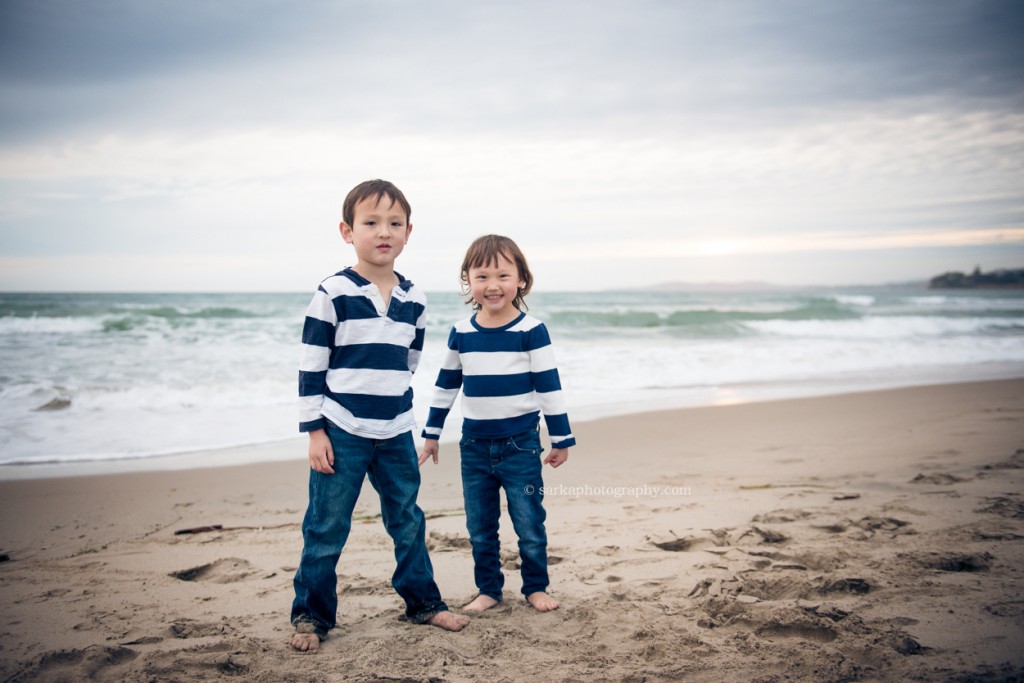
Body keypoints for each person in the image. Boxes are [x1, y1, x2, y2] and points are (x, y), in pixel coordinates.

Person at [290, 179, 468, 653]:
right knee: (326, 526)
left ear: (409, 232)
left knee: (407, 519)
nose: (383, 232)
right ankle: (311, 615)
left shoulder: (415, 298)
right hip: (342, 429)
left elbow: (409, 361)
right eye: (371, 223)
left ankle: (424, 603)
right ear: (348, 231)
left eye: (394, 223)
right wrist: (314, 431)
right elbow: (311, 364)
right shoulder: (333, 292)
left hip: (394, 430)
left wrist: (400, 414)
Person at [419, 234, 575, 613]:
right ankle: (489, 590)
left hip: (521, 445)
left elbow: (549, 386)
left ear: (521, 279)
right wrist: (431, 435)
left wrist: (561, 438)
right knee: (480, 529)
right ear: (468, 281)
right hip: (473, 446)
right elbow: (446, 386)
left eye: (503, 276)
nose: (493, 285)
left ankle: (535, 587)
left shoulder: (531, 330)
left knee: (529, 524)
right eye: (482, 276)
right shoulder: (462, 331)